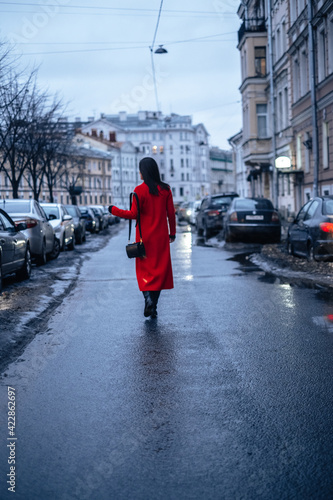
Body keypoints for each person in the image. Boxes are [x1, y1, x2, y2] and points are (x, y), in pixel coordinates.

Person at [109, 157, 176, 318]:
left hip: (144, 239)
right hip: (161, 239)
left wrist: (113, 210)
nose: (139, 173)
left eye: (140, 170)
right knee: (159, 272)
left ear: (144, 171)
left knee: (145, 273)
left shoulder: (139, 191)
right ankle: (154, 305)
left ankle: (148, 299)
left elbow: (133, 214)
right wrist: (172, 233)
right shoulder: (166, 189)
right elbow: (171, 214)